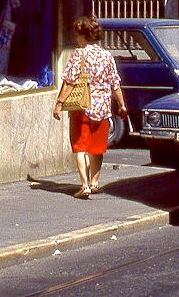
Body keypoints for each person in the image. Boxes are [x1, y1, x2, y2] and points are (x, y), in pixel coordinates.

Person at [53, 16, 128, 199]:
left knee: (80, 147)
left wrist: (59, 103)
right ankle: (95, 183)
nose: (76, 37)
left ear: (83, 35)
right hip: (103, 108)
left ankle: (85, 185)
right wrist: (122, 105)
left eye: (78, 34)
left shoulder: (80, 54)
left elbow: (69, 82)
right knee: (97, 147)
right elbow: (115, 84)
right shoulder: (107, 55)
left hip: (82, 107)